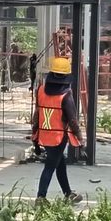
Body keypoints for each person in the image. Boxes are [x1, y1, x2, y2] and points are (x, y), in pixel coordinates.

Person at [32, 56, 82, 203]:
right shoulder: (66, 96)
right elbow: (72, 120)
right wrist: (80, 138)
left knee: (60, 164)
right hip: (59, 137)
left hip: (44, 134)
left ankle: (68, 194)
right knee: (50, 166)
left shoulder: (41, 91)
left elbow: (36, 115)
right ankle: (41, 197)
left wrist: (35, 136)